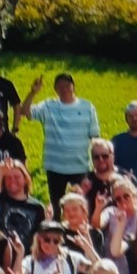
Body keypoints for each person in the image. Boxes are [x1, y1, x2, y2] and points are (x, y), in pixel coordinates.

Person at [20, 73, 100, 214]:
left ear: (73, 87)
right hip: (55, 166)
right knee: (56, 207)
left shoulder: (87, 107)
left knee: (84, 206)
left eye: (67, 85)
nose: (64, 89)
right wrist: (33, 93)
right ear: (55, 90)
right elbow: (25, 111)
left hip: (81, 166)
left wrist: (97, 160)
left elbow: (94, 135)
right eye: (60, 87)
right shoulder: (48, 106)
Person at [0, 158, 46, 251]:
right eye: (8, 178)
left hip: (25, 254)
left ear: (25, 179)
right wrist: (0, 174)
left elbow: (40, 235)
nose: (12, 180)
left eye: (16, 177)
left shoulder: (37, 207)